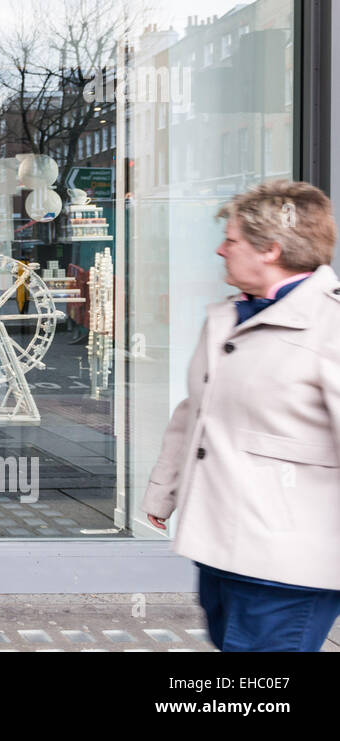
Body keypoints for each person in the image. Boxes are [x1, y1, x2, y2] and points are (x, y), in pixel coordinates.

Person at [144, 180, 340, 652]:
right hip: (222, 548)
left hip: (287, 560)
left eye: (231, 240)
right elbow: (196, 412)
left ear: (270, 249)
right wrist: (162, 492)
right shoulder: (232, 317)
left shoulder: (329, 327)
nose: (219, 250)